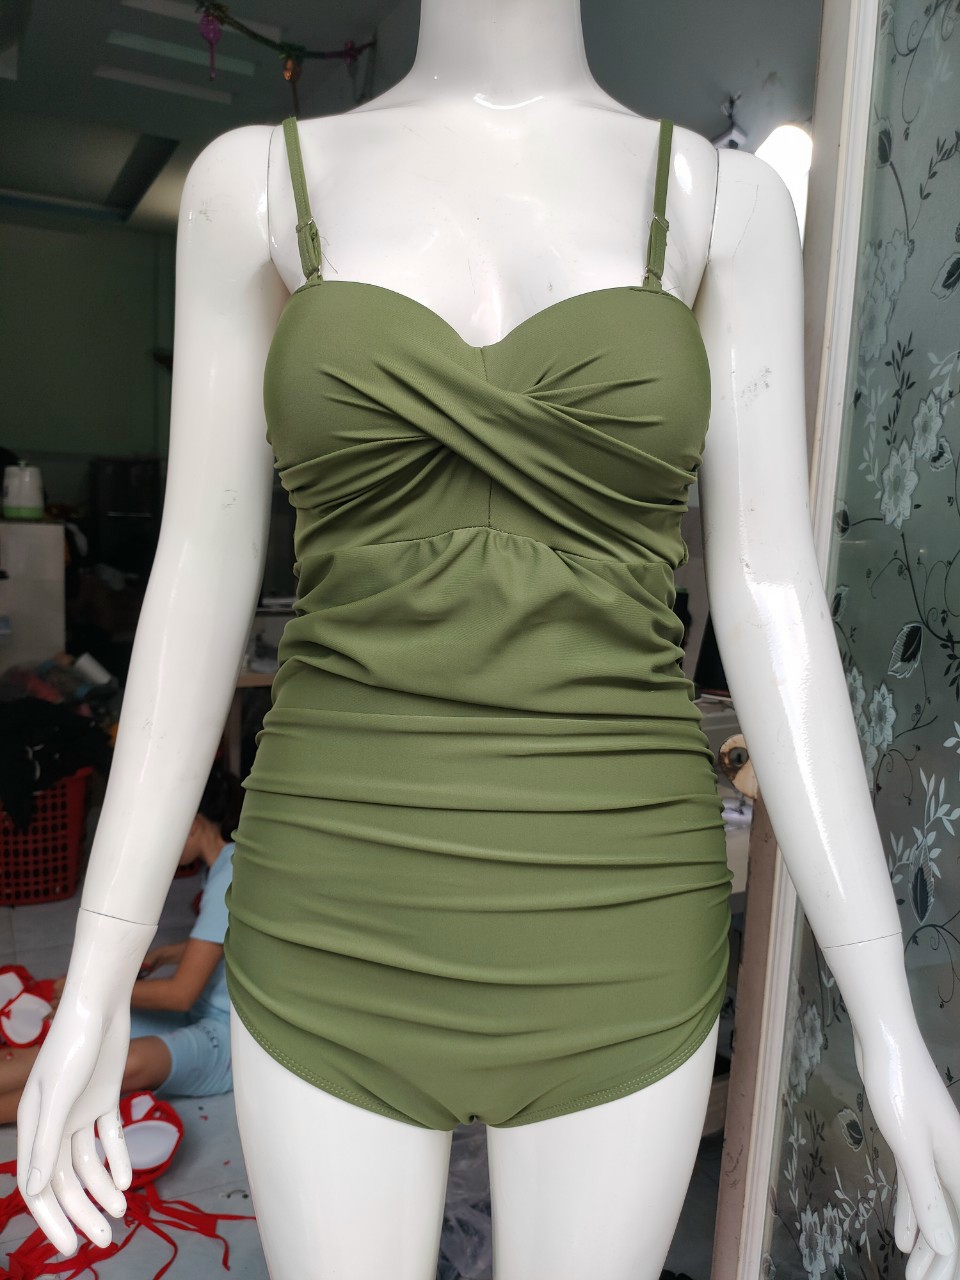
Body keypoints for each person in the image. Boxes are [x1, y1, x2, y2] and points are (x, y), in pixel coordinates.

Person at [15, 2, 960, 1276]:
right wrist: (97, 968)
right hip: (332, 895)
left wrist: (885, 1013)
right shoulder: (257, 186)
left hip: (619, 910)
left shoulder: (725, 204)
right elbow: (198, 570)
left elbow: (771, 592)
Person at [0, 764, 240, 1125]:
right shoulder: (221, 867)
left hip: (228, 1036)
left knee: (116, 1067)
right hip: (200, 1010)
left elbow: (180, 995)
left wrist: (88, 990)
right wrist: (165, 954)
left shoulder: (229, 876)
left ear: (191, 825)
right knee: (78, 1036)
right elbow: (226, 942)